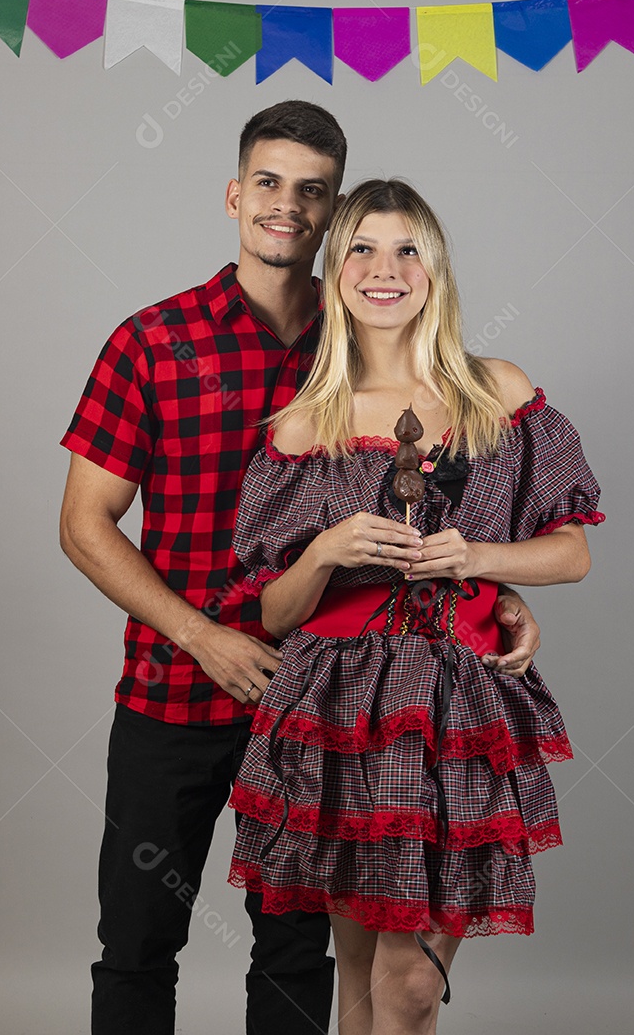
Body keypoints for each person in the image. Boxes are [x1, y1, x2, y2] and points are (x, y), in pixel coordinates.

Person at [58, 102, 543, 1035]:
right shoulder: (153, 341)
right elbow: (85, 526)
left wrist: (500, 593)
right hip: (174, 691)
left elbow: (438, 502)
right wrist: (204, 636)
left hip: (327, 706)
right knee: (137, 942)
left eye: (312, 193)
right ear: (236, 194)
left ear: (334, 219)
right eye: (269, 184)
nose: (287, 206)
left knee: (295, 956)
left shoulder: (364, 332)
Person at [227, 178, 604, 1035]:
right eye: (361, 247)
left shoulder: (496, 393)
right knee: (360, 977)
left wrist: (477, 559)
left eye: (407, 250)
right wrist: (326, 549)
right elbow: (276, 616)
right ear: (335, 267)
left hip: (458, 709)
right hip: (339, 714)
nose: (384, 268)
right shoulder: (304, 425)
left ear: (435, 269)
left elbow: (573, 552)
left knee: (409, 985)